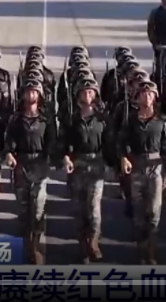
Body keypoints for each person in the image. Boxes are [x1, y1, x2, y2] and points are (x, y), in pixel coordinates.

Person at [118, 80, 166, 264]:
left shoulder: (162, 121)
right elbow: (122, 142)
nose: (147, 97)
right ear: (138, 97)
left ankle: (152, 251)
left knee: (154, 211)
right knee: (139, 211)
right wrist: (124, 157)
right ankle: (141, 251)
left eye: (150, 94)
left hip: (156, 166)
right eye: (144, 94)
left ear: (155, 97)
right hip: (137, 166)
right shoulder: (131, 120)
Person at [4, 80, 56, 264]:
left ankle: (35, 246)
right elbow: (9, 140)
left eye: (34, 91)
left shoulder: (46, 119)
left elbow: (52, 141)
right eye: (28, 91)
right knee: (24, 209)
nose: (31, 95)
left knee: (38, 209)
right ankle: (26, 244)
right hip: (22, 165)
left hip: (39, 165)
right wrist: (9, 154)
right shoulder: (16, 119)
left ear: (39, 95)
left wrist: (50, 157)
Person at [61, 79, 109, 263]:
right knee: (79, 208)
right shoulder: (72, 119)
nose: (87, 95)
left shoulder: (102, 119)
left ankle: (94, 243)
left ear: (95, 95)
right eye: (84, 92)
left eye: (90, 92)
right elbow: (63, 141)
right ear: (78, 95)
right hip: (78, 166)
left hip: (96, 166)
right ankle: (82, 243)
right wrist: (65, 156)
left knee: (94, 209)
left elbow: (109, 141)